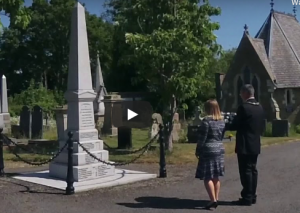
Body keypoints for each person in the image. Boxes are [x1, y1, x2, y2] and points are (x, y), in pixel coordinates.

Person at [229, 84, 265, 206]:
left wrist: (228, 123)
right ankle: (252, 195)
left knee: (246, 171)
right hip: (255, 142)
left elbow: (236, 125)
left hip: (244, 143)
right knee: (253, 170)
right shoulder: (259, 107)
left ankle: (247, 197)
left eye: (241, 93)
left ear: (245, 93)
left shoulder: (243, 107)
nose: (240, 95)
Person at [195, 99, 225, 210]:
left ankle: (212, 200)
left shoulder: (206, 122)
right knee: (216, 176)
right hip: (219, 148)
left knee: (207, 176)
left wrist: (198, 150)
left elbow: (202, 138)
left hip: (208, 150)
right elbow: (221, 136)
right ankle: (216, 198)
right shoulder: (222, 121)